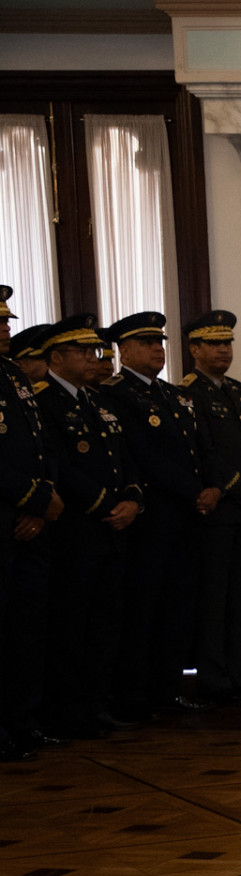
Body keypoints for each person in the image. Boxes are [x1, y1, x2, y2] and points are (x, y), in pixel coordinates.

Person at [99, 311, 214, 717]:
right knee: (144, 608)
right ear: (124, 351)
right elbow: (144, 457)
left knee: (177, 607)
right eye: (146, 343)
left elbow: (196, 450)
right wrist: (195, 490)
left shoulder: (171, 394)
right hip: (152, 519)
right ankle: (134, 696)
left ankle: (166, 689)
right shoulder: (116, 395)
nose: (157, 350)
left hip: (185, 518)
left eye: (159, 343)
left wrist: (210, 488)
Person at [36, 314, 142, 739]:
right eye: (82, 351)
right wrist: (106, 506)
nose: (92, 357)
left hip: (113, 531)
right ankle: (70, 710)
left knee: (105, 623)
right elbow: (60, 468)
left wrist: (133, 499)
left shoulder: (96, 402)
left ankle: (98, 703)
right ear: (56, 358)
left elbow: (125, 459)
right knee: (73, 626)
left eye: (93, 350)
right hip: (78, 531)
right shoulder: (45, 403)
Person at [183, 309, 241, 706]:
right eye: (215, 343)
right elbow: (205, 453)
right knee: (215, 601)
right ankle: (214, 681)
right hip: (219, 514)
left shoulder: (239, 391)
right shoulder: (189, 393)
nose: (224, 350)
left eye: (228, 343)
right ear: (195, 349)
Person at [1, 288, 63, 759]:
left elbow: (41, 446)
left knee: (27, 631)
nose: (6, 328)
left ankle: (23, 721)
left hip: (31, 521)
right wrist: (33, 499)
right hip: (6, 520)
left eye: (6, 321)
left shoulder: (11, 374)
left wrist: (43, 501)